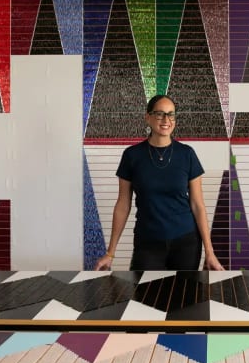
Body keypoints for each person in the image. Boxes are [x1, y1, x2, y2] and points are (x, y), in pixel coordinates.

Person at [93, 95, 225, 271]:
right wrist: (110, 253)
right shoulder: (132, 156)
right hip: (147, 243)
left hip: (186, 242)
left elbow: (197, 205)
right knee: (146, 296)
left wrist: (209, 252)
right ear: (147, 117)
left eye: (171, 114)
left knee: (185, 297)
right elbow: (123, 204)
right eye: (160, 114)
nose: (166, 120)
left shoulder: (187, 154)